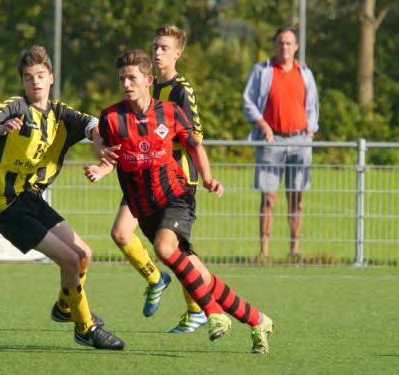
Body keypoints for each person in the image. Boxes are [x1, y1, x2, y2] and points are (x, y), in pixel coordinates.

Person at [86, 49, 274, 354]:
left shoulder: (170, 112)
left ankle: (213, 314)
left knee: (164, 248)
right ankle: (258, 320)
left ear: (148, 80)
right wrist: (100, 168)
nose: (126, 83)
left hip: (176, 194)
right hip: (143, 207)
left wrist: (209, 177)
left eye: (132, 78)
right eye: (122, 78)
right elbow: (109, 155)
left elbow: (194, 146)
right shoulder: (111, 117)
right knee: (200, 275)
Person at [0, 44, 124, 350]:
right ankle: (86, 328)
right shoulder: (16, 107)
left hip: (32, 199)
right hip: (6, 204)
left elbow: (93, 123)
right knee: (68, 259)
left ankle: (65, 307)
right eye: (29, 77)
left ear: (51, 77)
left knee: (84, 255)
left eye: (41, 75)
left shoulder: (61, 114)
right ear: (23, 83)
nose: (35, 82)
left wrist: (98, 142)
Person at [105, 25, 207, 334]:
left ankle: (198, 307)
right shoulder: (146, 86)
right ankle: (155, 278)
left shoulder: (181, 89)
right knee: (121, 233)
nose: (158, 52)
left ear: (178, 53)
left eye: (164, 47)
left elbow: (195, 137)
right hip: (142, 174)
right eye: (155, 46)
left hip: (174, 177)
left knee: (174, 249)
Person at [243, 26, 319, 259]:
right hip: (270, 140)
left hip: (299, 140)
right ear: (275, 45)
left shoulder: (305, 72)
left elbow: (313, 106)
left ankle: (294, 250)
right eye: (280, 43)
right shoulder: (262, 71)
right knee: (268, 198)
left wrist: (310, 131)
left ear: (296, 47)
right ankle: (264, 252)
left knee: (296, 197)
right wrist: (262, 124)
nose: (284, 47)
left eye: (289, 43)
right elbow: (248, 101)